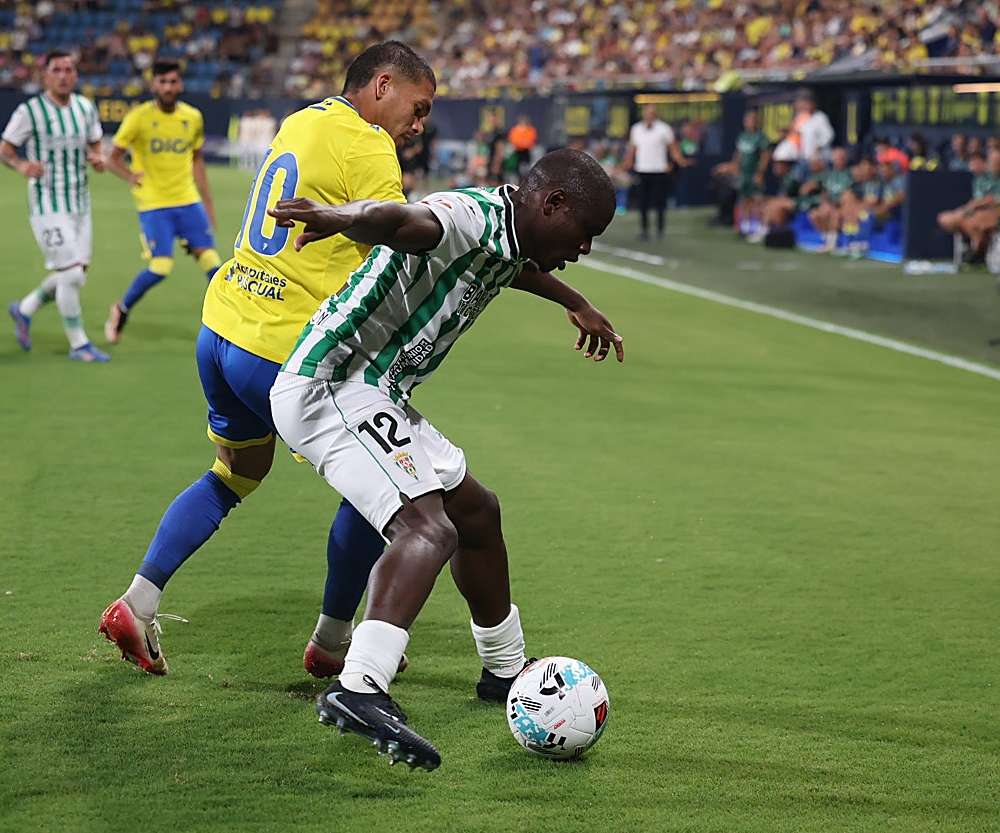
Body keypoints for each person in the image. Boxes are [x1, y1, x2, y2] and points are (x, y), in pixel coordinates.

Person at [267, 148, 623, 771]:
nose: (587, 247)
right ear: (553, 204)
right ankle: (359, 686)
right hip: (332, 384)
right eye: (586, 234)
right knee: (427, 529)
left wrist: (574, 299)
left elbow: (512, 267)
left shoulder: (512, 233)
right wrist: (340, 216)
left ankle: (505, 670)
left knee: (478, 513)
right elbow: (404, 221)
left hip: (380, 392)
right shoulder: (463, 216)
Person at [98, 41, 437, 681]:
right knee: (382, 486)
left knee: (235, 474)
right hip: (283, 351)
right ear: (383, 85)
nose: (419, 125)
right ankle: (333, 645)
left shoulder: (302, 119)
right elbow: (391, 245)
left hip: (223, 325)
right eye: (417, 108)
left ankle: (137, 604)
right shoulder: (369, 146)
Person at [0, 50, 110, 362]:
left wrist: (98, 158)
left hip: (79, 202)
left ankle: (24, 309)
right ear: (45, 76)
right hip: (48, 202)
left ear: (76, 75)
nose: (63, 75)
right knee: (71, 274)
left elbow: (96, 142)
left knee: (76, 274)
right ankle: (79, 344)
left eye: (69, 70)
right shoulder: (30, 111)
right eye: (57, 70)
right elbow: (4, 150)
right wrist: (21, 166)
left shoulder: (85, 108)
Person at [104, 60, 221, 345]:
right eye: (163, 82)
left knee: (215, 267)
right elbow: (112, 156)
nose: (168, 87)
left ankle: (224, 327)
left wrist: (207, 201)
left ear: (180, 85)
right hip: (155, 203)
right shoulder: (139, 118)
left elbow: (196, 158)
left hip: (187, 200)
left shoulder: (192, 117)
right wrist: (129, 176)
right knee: (160, 268)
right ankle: (121, 310)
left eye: (173, 82)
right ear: (153, 85)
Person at [623, 103, 693, 241]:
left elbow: (673, 147)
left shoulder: (664, 129)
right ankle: (644, 229)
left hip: (659, 169)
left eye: (652, 113)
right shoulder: (637, 129)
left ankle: (660, 229)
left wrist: (679, 161)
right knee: (643, 202)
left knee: (660, 202)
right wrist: (627, 163)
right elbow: (632, 149)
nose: (650, 115)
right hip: (642, 169)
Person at [507, 113, 538, 178]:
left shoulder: (530, 130)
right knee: (516, 168)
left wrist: (522, 142)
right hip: (517, 152)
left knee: (527, 168)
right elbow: (514, 141)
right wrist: (522, 142)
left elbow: (531, 141)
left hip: (527, 152)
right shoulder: (515, 130)